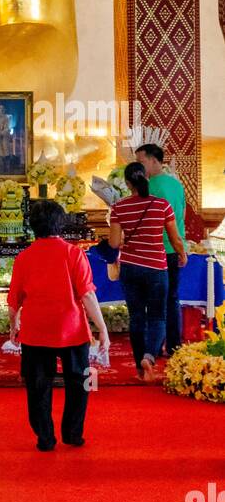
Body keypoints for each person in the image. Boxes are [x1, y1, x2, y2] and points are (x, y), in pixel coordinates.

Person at [8, 199, 109, 451]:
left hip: (35, 331)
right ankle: (73, 433)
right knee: (81, 383)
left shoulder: (24, 257)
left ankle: (45, 437)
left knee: (37, 386)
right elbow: (87, 294)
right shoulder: (74, 253)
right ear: (61, 224)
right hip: (72, 329)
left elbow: (14, 301)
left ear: (32, 226)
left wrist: (13, 326)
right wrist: (102, 328)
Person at [109, 161, 187, 382]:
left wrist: (126, 240)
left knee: (136, 318)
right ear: (146, 178)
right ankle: (150, 356)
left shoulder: (119, 208)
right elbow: (174, 238)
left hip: (131, 268)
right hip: (156, 268)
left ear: (126, 183)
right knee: (157, 316)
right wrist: (182, 254)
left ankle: (139, 369)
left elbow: (114, 243)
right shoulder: (162, 205)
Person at [135, 142, 186, 355]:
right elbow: (181, 216)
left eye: (141, 162)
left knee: (153, 302)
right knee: (172, 299)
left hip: (154, 250)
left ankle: (153, 348)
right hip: (174, 248)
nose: (139, 167)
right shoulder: (176, 185)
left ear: (155, 160)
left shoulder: (151, 186)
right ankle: (174, 345)